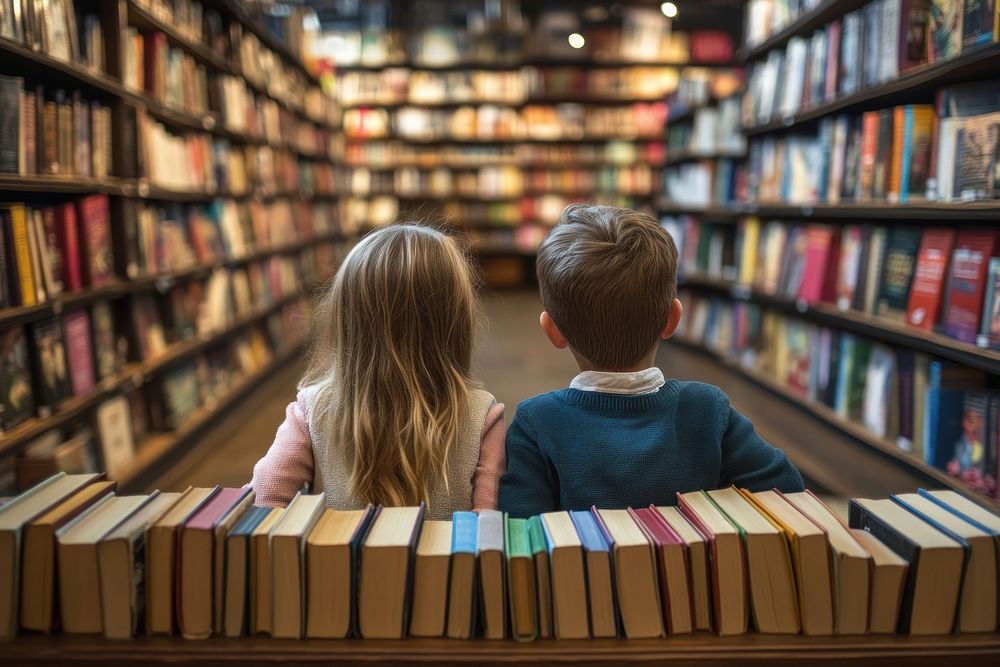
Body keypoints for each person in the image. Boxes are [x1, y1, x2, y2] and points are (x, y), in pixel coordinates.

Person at [498, 205, 804, 517]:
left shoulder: (536, 423)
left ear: (552, 331)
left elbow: (520, 536)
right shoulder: (706, 409)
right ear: (672, 319)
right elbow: (789, 494)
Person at [249, 224, 505, 519]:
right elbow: (488, 526)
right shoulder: (482, 415)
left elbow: (264, 503)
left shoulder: (312, 410)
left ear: (347, 319)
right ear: (456, 323)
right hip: (446, 566)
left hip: (337, 565)